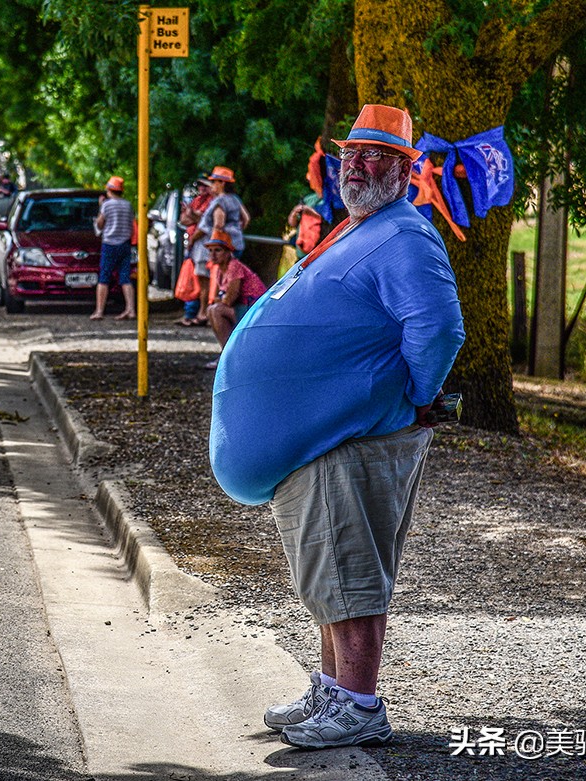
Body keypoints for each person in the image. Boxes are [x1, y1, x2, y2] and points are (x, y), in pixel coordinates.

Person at [210, 104, 466, 749]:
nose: (355, 165)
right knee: (326, 568)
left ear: (407, 170)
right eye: (349, 153)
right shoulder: (359, 228)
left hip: (350, 437)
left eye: (375, 155)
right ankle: (332, 691)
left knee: (349, 571)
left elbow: (437, 328)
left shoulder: (405, 235)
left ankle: (357, 704)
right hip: (321, 439)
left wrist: (413, 398)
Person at [185, 166, 250, 326]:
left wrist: (203, 241)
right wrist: (235, 232)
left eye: (214, 182)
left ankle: (216, 314)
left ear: (222, 183)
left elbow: (218, 224)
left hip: (222, 246)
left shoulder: (219, 201)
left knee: (219, 281)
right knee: (230, 280)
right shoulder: (235, 199)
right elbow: (246, 219)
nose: (211, 185)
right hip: (236, 243)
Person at [203, 229, 266, 357]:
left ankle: (230, 355)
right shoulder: (220, 270)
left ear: (227, 253)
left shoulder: (234, 266)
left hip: (253, 310)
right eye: (210, 250)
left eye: (218, 250)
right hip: (242, 308)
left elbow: (229, 299)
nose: (213, 254)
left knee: (216, 310)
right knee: (211, 310)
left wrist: (220, 300)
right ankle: (226, 353)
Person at [91, 175, 136, 321]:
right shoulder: (128, 205)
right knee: (125, 278)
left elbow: (100, 224)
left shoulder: (107, 205)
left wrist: (100, 207)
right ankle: (131, 309)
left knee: (104, 278)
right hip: (125, 244)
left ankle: (99, 311)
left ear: (110, 190)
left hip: (109, 244)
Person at [176, 175, 213, 326]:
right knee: (195, 279)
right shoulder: (197, 201)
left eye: (205, 185)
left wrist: (193, 215)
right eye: (199, 185)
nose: (201, 188)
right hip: (194, 245)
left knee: (206, 280)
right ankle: (192, 313)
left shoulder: (213, 201)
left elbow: (205, 224)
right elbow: (184, 219)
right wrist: (193, 215)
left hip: (203, 244)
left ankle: (203, 313)